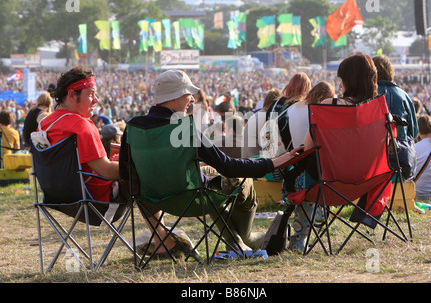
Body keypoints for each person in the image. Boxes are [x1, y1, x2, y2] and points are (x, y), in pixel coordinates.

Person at [119, 69, 300, 255]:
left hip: (152, 199)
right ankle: (243, 239)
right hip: (192, 198)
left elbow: (126, 173)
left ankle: (235, 240)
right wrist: (273, 162)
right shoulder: (185, 128)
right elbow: (229, 167)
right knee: (242, 180)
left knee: (210, 178)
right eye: (189, 94)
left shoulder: (133, 127)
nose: (192, 98)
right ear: (175, 97)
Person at [288, 52, 380, 250]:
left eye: (342, 80)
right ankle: (320, 214)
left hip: (331, 179)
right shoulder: (379, 109)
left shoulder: (329, 106)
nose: (339, 85)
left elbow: (309, 147)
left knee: (301, 169)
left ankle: (299, 237)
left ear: (349, 81)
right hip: (368, 178)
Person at [38, 66, 124, 204]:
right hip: (94, 198)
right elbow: (107, 171)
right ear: (72, 95)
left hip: (56, 197)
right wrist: (137, 164)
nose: (96, 100)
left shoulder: (44, 125)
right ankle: (159, 226)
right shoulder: (81, 126)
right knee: (146, 175)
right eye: (90, 94)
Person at [283, 81, 336, 251]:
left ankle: (314, 218)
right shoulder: (318, 112)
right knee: (316, 174)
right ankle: (319, 214)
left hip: (294, 163)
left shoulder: (291, 108)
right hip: (314, 166)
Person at [372, 54, 419, 180]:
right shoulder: (404, 96)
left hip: (373, 168)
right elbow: (414, 132)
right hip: (402, 166)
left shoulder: (368, 96)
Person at [242, 88, 282, 158]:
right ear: (274, 104)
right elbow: (270, 150)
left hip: (249, 162)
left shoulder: (257, 115)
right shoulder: (267, 118)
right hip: (256, 164)